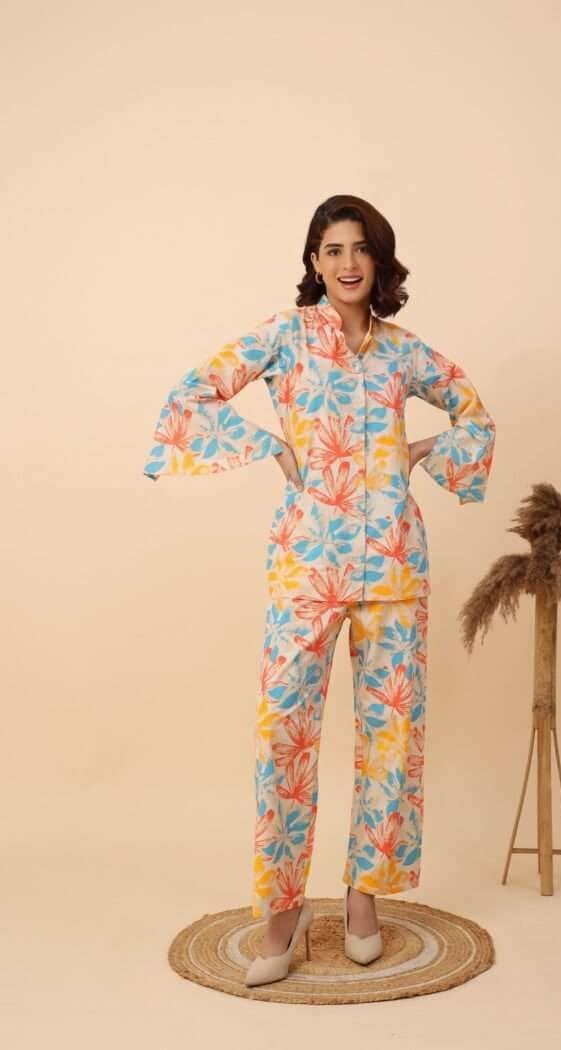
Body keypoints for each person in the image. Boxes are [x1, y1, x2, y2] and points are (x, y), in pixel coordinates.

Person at [143, 194, 496, 984]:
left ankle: (364, 896)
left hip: (394, 562)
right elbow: (191, 397)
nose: (347, 263)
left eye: (359, 248)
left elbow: (475, 415)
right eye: (332, 249)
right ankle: (283, 909)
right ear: (313, 261)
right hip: (308, 559)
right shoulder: (285, 336)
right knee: (285, 731)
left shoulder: (403, 352)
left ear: (379, 260)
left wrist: (424, 453)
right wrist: (271, 447)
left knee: (391, 735)